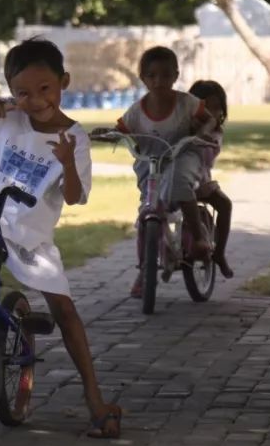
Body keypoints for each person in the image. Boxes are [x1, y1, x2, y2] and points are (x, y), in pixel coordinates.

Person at [0, 37, 122, 438]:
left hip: (28, 236)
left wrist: (68, 163)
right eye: (23, 92)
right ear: (12, 91)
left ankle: (95, 399)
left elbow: (74, 196)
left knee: (64, 311)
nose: (34, 100)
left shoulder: (73, 137)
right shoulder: (4, 116)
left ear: (64, 81)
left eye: (45, 89)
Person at [91, 46, 216, 298]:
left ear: (176, 75)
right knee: (147, 212)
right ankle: (145, 268)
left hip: (183, 155)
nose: (159, 81)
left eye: (166, 75)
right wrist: (106, 134)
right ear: (143, 78)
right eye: (152, 76)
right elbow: (122, 130)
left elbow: (210, 118)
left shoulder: (186, 103)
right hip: (151, 162)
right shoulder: (137, 110)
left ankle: (199, 235)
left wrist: (202, 132)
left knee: (180, 182)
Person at [188, 80, 234, 278]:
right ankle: (146, 265)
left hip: (201, 181)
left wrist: (204, 130)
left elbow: (207, 156)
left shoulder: (216, 133)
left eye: (216, 109)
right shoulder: (181, 125)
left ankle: (220, 253)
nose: (211, 113)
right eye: (205, 108)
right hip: (179, 180)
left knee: (224, 204)